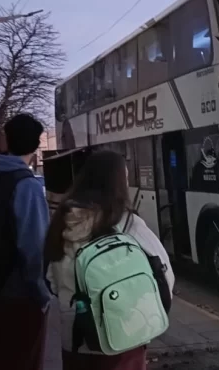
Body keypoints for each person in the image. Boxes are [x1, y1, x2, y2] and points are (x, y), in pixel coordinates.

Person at [45, 150, 174, 370]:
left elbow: (51, 280)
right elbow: (164, 273)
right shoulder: (127, 222)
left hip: (76, 336)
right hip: (124, 333)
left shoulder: (62, 220)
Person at [0, 114, 51, 370]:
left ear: (6, 141)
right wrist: (42, 295)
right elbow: (34, 248)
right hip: (19, 292)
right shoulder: (26, 185)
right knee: (24, 359)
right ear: (35, 145)